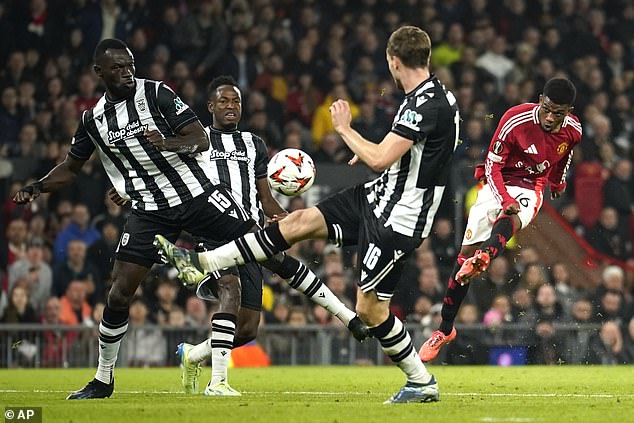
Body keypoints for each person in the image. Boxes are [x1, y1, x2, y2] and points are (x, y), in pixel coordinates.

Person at [156, 26, 459, 403]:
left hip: (399, 217)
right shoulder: (431, 96)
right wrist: (371, 152)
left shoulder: (425, 104)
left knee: (369, 309)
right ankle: (201, 261)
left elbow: (383, 156)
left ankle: (420, 380)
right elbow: (403, 155)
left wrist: (346, 131)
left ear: (392, 61)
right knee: (296, 223)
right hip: (378, 195)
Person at [12, 38, 256, 400]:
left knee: (259, 241)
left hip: (195, 197)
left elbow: (199, 138)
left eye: (130, 65)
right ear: (99, 73)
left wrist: (167, 143)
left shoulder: (156, 94)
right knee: (120, 291)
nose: (127, 72)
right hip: (149, 211)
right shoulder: (93, 119)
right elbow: (72, 167)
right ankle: (103, 378)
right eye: (118, 67)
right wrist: (37, 187)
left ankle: (325, 298)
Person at [112, 75, 367, 395]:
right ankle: (218, 383)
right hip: (213, 232)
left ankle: (193, 355)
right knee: (232, 286)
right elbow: (159, 175)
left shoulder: (254, 144)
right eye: (223, 102)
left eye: (235, 101)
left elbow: (265, 195)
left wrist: (289, 219)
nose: (231, 106)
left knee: (246, 330)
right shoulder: (196, 139)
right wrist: (131, 190)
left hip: (248, 233)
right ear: (210, 107)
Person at [418, 77, 582, 362]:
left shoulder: (574, 130)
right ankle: (445, 329)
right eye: (548, 108)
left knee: (513, 217)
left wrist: (557, 180)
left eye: (559, 113)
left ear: (569, 111)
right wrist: (504, 199)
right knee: (463, 258)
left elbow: (564, 156)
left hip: (531, 187)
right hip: (498, 182)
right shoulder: (514, 119)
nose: (551, 117)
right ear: (540, 99)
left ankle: (485, 255)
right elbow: (492, 165)